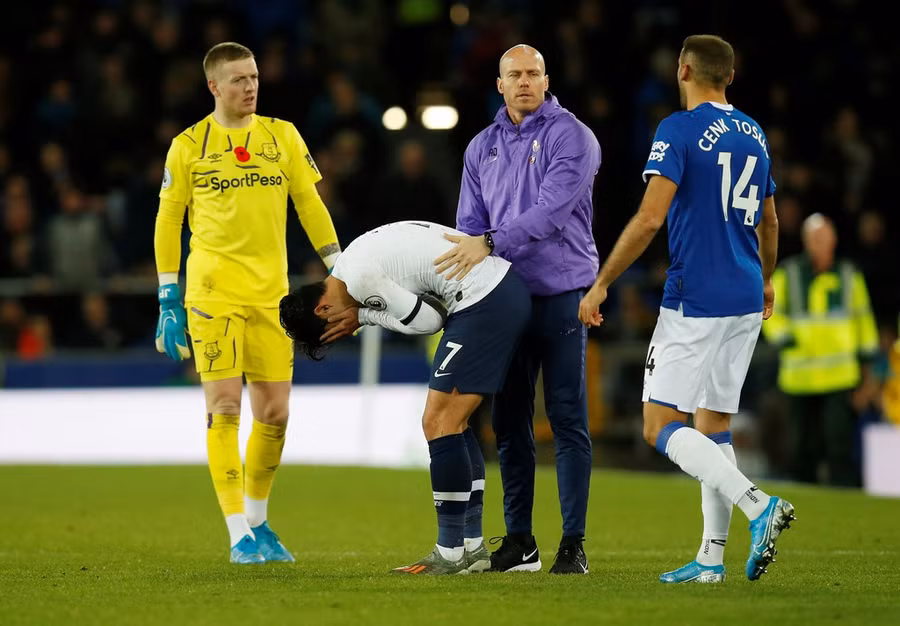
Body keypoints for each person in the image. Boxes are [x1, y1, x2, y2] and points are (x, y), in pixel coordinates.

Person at [579, 35, 795, 583]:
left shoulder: (676, 130)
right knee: (713, 424)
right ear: (730, 75)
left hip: (696, 298)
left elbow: (650, 219)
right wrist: (766, 279)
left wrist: (602, 282)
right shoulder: (754, 133)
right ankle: (710, 558)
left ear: (684, 69)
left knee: (659, 425)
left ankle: (758, 505)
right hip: (746, 295)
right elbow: (770, 222)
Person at [153, 42, 341, 564]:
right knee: (225, 406)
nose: (250, 87)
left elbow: (310, 204)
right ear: (213, 86)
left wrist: (340, 268)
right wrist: (168, 293)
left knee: (276, 414)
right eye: (237, 80)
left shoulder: (282, 136)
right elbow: (169, 221)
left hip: (271, 296)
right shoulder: (189, 146)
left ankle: (258, 521)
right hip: (213, 293)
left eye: (254, 76)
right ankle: (238, 533)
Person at [280, 220, 531, 575]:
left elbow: (428, 321)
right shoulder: (353, 264)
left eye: (333, 330)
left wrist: (364, 315)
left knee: (438, 421)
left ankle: (448, 553)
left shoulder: (360, 277)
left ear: (322, 310)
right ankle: (472, 547)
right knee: (453, 424)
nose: (345, 330)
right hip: (495, 292)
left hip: (484, 299)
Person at [435, 44, 600, 574]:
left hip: (560, 295)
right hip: (504, 299)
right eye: (515, 75)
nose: (525, 81)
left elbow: (552, 211)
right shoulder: (480, 147)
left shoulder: (572, 136)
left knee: (567, 416)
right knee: (508, 424)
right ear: (500, 84)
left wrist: (488, 241)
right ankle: (521, 542)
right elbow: (467, 225)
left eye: (533, 73)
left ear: (546, 81)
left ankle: (572, 543)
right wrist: (476, 253)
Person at [761, 213, 878, 486]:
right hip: (799, 378)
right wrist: (783, 336)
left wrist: (868, 367)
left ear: (834, 239)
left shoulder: (850, 275)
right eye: (814, 238)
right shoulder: (788, 274)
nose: (819, 243)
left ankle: (843, 496)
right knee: (802, 446)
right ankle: (806, 500)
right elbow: (769, 311)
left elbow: (863, 318)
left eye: (824, 236)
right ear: (805, 241)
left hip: (839, 377)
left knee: (839, 443)